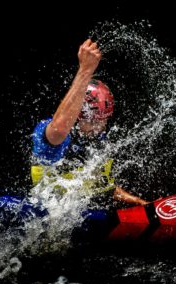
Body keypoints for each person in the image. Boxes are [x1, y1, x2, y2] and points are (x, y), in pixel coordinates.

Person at [31, 38, 149, 206]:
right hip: (41, 213)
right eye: (93, 121)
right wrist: (86, 69)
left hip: (74, 215)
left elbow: (106, 188)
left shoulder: (101, 142)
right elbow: (59, 128)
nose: (100, 126)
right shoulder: (49, 133)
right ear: (78, 117)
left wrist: (141, 203)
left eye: (104, 120)